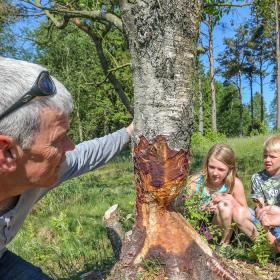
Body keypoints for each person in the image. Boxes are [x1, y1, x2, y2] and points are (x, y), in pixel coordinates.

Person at [0, 57, 133, 279]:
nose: (70, 147)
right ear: (7, 153)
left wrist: (129, 132)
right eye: (58, 140)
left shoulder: (39, 170)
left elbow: (86, 154)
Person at [187, 144, 256, 245]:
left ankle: (224, 245)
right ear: (206, 164)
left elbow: (244, 213)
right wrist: (202, 208)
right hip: (202, 229)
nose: (215, 173)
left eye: (221, 169)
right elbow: (185, 209)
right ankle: (210, 242)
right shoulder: (195, 182)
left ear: (230, 169)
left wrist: (230, 201)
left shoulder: (234, 184)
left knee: (225, 206)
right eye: (211, 167)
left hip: (228, 230)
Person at [251, 135, 280, 252]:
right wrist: (263, 215)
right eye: (265, 156)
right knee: (246, 213)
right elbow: (259, 205)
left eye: (272, 157)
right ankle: (271, 247)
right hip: (265, 218)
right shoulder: (257, 178)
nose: (267, 160)